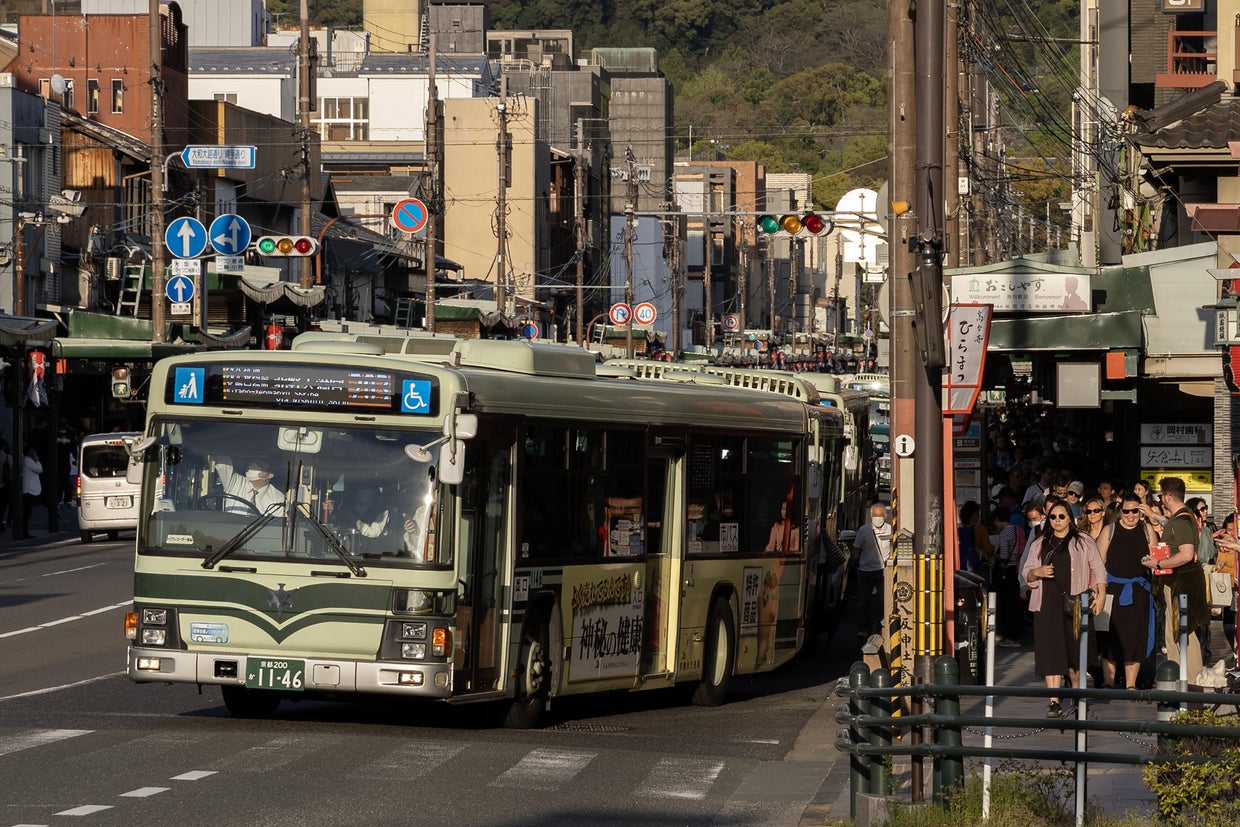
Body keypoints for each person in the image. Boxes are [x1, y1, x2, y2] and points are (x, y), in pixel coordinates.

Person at [1022, 498, 1106, 718]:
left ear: (1070, 517)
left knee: (1074, 651)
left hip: (1074, 600)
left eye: (1061, 516)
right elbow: (1026, 572)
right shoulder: (1040, 542)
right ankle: (1054, 701)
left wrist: (1101, 595)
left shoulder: (1083, 541)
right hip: (1046, 601)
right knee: (1050, 651)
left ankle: (1077, 695)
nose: (1057, 520)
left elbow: (1098, 569)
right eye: (1053, 517)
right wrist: (1036, 573)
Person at [1145, 477, 1209, 682]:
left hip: (1179, 583)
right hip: (1178, 582)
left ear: (1168, 496)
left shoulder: (1181, 520)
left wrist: (1157, 564)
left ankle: (1189, 682)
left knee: (1182, 632)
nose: (1161, 499)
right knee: (1178, 632)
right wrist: (1154, 515)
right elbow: (1173, 527)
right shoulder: (1181, 517)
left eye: (1161, 495)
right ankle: (1184, 679)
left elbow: (1186, 554)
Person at [1096, 494, 1156, 690]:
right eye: (1126, 511)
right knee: (1110, 637)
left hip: (1139, 590)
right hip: (1112, 590)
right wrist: (1098, 591)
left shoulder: (1147, 530)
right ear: (1120, 512)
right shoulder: (1109, 530)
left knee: (1135, 637)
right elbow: (1098, 563)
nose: (1131, 515)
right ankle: (1109, 681)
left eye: (1135, 511)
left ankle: (1131, 684)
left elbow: (1157, 559)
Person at [852, 502, 892, 639]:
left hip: (883, 570)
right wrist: (855, 560)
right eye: (875, 515)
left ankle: (878, 627)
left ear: (885, 516)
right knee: (864, 601)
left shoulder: (890, 530)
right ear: (871, 516)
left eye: (880, 515)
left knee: (882, 600)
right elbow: (856, 548)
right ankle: (863, 628)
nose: (878, 517)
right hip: (865, 570)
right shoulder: (864, 530)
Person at [991, 507, 1027, 646]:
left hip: (1008, 571)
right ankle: (1016, 633)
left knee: (1007, 605)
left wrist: (996, 556)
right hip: (1018, 570)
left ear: (997, 520)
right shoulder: (1018, 529)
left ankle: (1010, 636)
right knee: (1016, 604)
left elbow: (1005, 555)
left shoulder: (1004, 533)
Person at [214, 457, 285, 516]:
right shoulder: (235, 482)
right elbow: (222, 461)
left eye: (259, 466)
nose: (252, 467)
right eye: (253, 463)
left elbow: (277, 527)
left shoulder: (278, 499)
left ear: (270, 475)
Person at [957, 501, 995, 585]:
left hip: (961, 566)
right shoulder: (980, 529)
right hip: (978, 565)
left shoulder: (958, 530)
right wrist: (994, 547)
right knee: (983, 591)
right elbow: (988, 549)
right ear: (975, 514)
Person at [20, 447, 42, 539]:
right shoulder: (28, 461)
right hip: (28, 489)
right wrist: (37, 461)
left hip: (28, 489)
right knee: (27, 512)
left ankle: (24, 531)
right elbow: (39, 469)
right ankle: (24, 532)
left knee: (27, 512)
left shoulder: (27, 461)